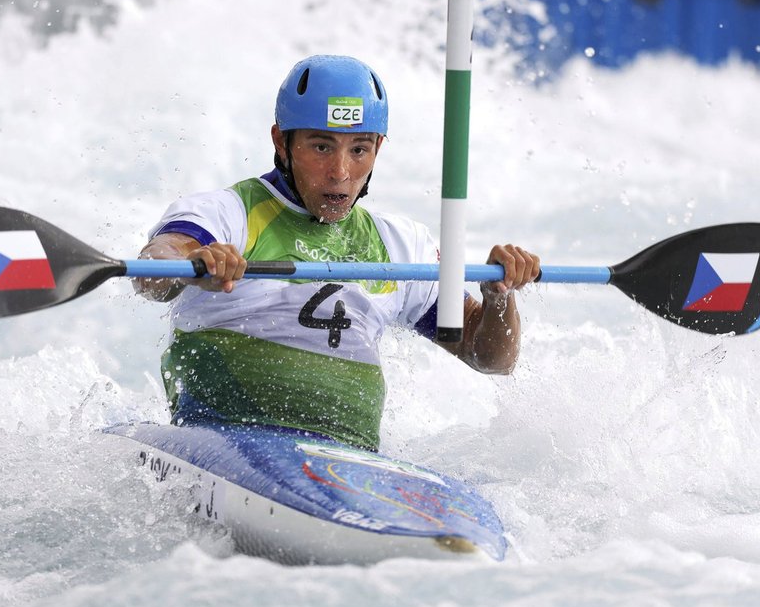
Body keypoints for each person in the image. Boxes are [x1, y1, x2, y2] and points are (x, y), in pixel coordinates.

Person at [134, 55, 540, 451]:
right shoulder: (227, 214)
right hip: (224, 445)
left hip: (348, 463)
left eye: (359, 150)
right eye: (322, 147)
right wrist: (190, 264)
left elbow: (491, 360)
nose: (341, 172)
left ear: (379, 148)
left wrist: (499, 296)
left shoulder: (400, 245)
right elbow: (154, 267)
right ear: (282, 141)